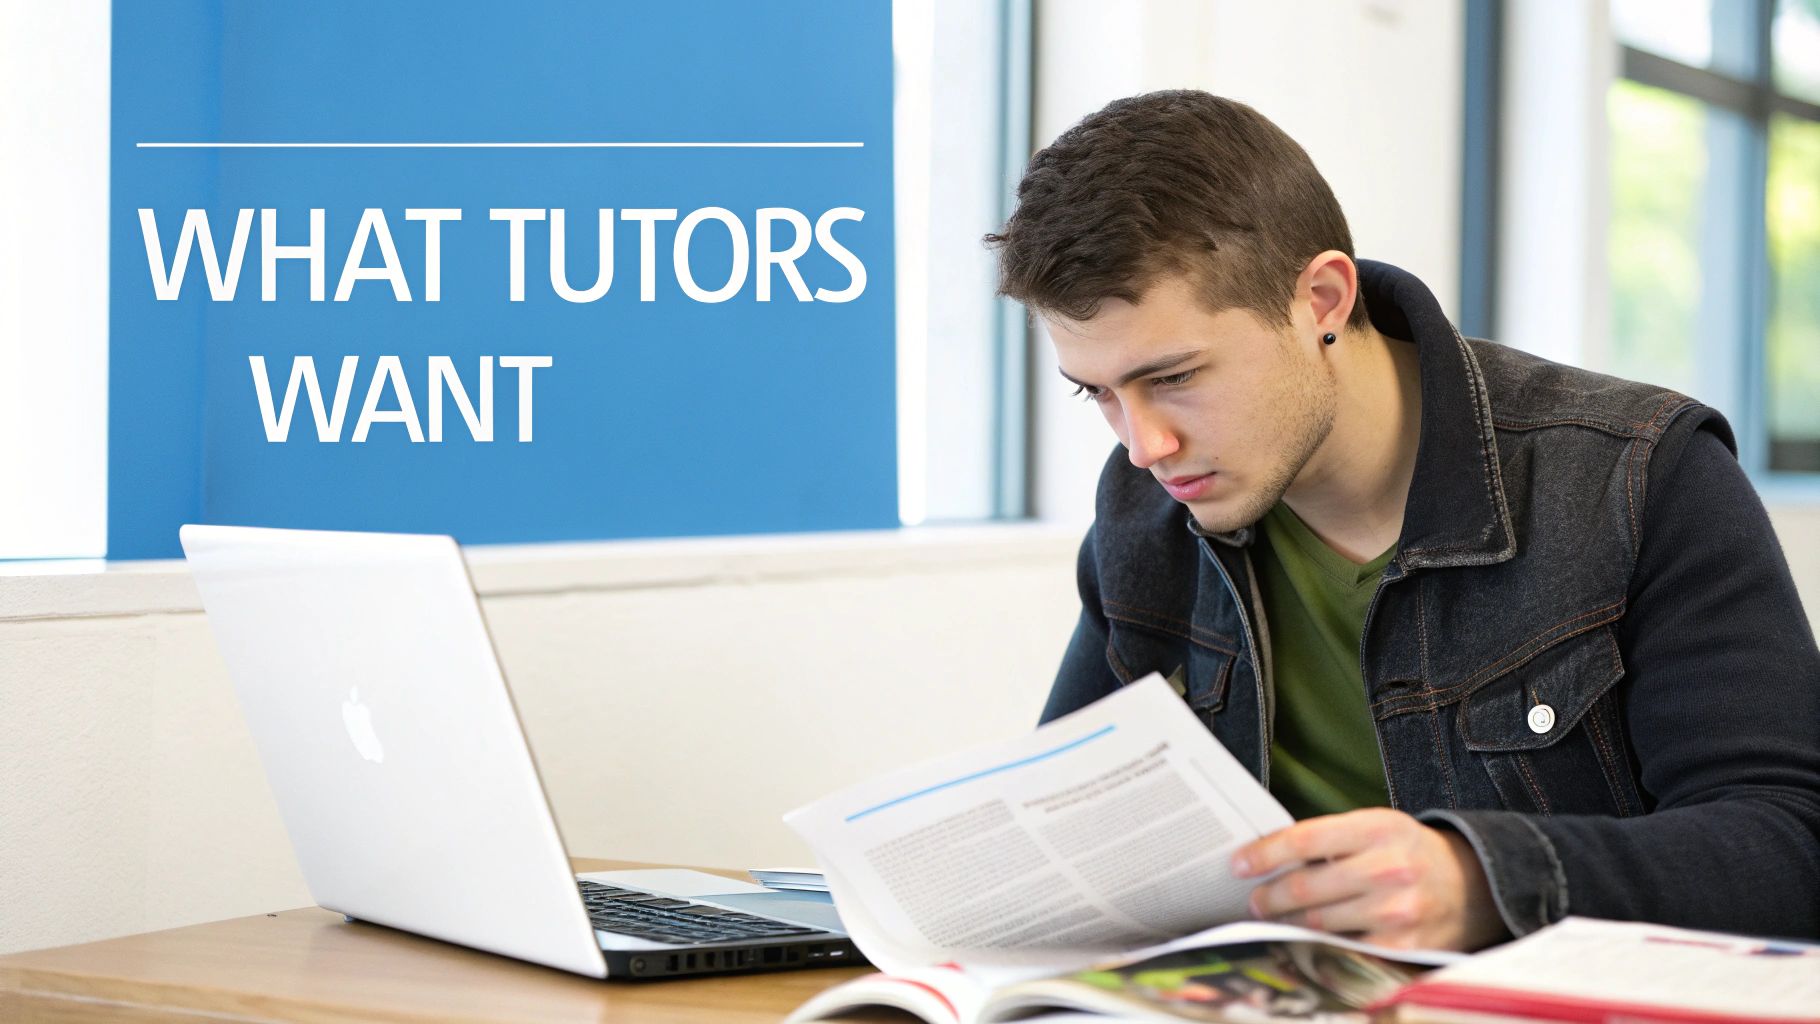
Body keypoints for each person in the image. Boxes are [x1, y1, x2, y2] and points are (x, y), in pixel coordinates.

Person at [984, 90, 1820, 951]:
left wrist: (1484, 880)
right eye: (1099, 393)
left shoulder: (1642, 477)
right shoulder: (1144, 515)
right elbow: (1066, 838)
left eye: (1175, 377)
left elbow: (1793, 844)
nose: (1143, 445)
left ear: (1322, 299)